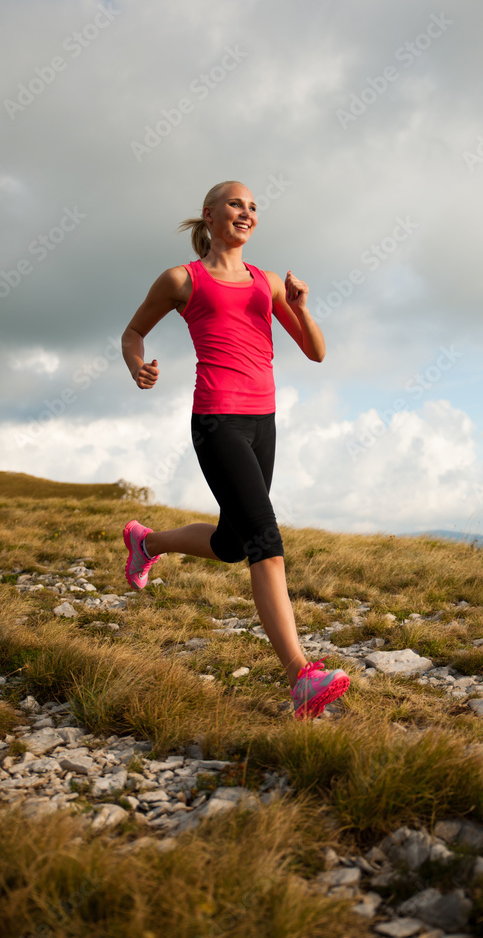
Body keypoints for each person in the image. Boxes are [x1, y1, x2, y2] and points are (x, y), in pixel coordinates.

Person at [120, 180, 350, 719]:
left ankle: (146, 543)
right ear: (209, 214)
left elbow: (315, 352)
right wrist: (138, 366)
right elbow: (133, 332)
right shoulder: (182, 279)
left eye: (252, 207)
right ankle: (301, 677)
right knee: (265, 539)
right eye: (235, 204)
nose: (246, 212)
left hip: (262, 420)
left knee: (231, 542)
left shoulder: (267, 282)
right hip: (217, 420)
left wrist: (299, 306)